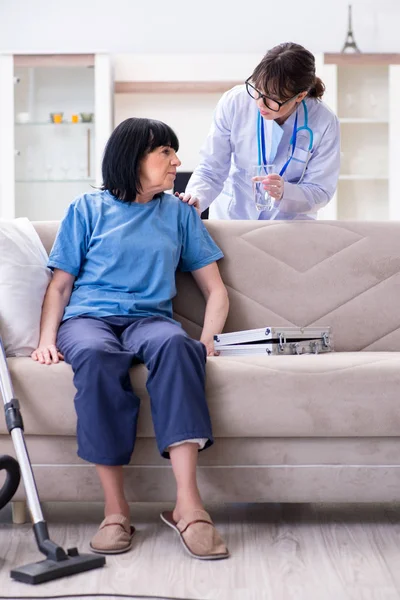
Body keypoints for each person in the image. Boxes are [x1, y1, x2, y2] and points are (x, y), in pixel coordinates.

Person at [31, 118, 230, 560]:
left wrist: (210, 337)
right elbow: (60, 285)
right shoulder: (86, 208)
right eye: (166, 153)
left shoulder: (179, 213)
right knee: (99, 357)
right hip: (89, 320)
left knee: (181, 347)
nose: (177, 163)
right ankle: (115, 510)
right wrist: (46, 338)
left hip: (150, 320)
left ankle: (188, 506)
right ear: (133, 158)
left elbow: (215, 290)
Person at [177, 42, 340, 220]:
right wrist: (196, 197)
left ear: (299, 96)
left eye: (273, 99)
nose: (261, 103)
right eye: (258, 90)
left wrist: (286, 191)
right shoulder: (235, 102)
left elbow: (321, 190)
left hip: (288, 226)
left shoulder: (324, 121)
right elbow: (211, 168)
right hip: (233, 216)